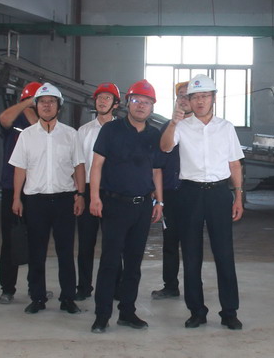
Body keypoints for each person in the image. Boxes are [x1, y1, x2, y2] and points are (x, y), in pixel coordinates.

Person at [160, 74, 245, 331]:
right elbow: (165, 147)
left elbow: (234, 163)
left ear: (214, 98)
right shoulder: (182, 126)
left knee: (224, 253)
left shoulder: (226, 127)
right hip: (190, 193)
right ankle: (196, 311)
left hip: (219, 193)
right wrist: (173, 123)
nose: (199, 101)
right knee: (191, 254)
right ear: (188, 100)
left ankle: (229, 312)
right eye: (194, 97)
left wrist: (238, 195)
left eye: (204, 96)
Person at [89, 79, 163, 334]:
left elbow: (156, 171)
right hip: (114, 204)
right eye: (137, 100)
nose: (141, 106)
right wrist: (94, 197)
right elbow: (96, 165)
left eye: (147, 102)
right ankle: (102, 316)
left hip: (142, 207)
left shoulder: (154, 135)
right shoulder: (111, 130)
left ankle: (127, 313)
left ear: (152, 107)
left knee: (133, 263)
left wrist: (159, 201)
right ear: (128, 103)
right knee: (110, 262)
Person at [9, 82, 85, 315]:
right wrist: (16, 198)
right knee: (37, 252)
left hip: (64, 200)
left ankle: (68, 298)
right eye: (42, 102)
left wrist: (80, 194)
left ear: (58, 107)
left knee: (65, 252)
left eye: (51, 102)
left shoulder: (70, 134)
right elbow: (20, 168)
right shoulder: (27, 136)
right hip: (36, 201)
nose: (47, 105)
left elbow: (79, 166)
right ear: (37, 106)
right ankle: (38, 297)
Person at [75, 82, 122, 302]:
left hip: (113, 192)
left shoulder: (122, 130)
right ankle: (84, 286)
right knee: (86, 242)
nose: (102, 101)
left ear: (116, 104)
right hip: (87, 190)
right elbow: (78, 164)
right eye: (99, 98)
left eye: (107, 98)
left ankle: (116, 287)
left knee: (114, 243)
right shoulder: (84, 131)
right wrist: (79, 194)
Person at [0, 81, 41, 304]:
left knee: (37, 239)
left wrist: (35, 109)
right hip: (12, 188)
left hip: (37, 188)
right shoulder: (14, 121)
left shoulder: (46, 123)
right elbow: (3, 118)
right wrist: (27, 104)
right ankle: (7, 288)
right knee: (11, 239)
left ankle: (36, 288)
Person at [151, 81, 192, 300]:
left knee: (192, 243)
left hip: (193, 193)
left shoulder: (200, 127)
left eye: (187, 96)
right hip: (171, 193)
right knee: (170, 242)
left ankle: (194, 287)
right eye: (180, 96)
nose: (183, 100)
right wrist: (158, 196)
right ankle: (170, 285)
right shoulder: (167, 127)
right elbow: (157, 164)